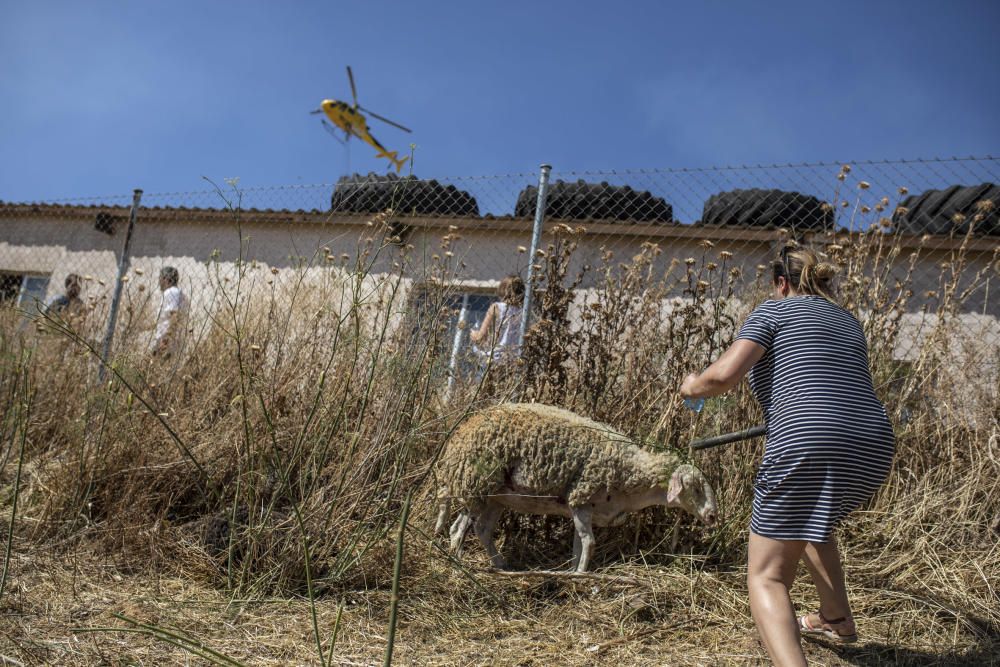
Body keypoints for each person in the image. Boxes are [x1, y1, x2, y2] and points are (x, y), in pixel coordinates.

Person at [679, 244, 895, 666]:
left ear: (781, 283)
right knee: (813, 519)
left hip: (810, 441)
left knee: (767, 575)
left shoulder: (775, 311)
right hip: (873, 443)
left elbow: (723, 376)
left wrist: (691, 386)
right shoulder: (848, 321)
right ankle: (836, 618)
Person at [470, 274, 525, 372]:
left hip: (493, 359)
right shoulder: (524, 313)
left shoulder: (496, 307)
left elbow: (480, 337)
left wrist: (473, 334)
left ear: (503, 290)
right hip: (513, 360)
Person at [150, 266, 188, 358]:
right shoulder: (177, 293)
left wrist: (165, 340)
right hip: (170, 339)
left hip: (166, 340)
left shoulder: (172, 292)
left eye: (160, 278)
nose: (159, 282)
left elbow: (174, 316)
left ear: (166, 279)